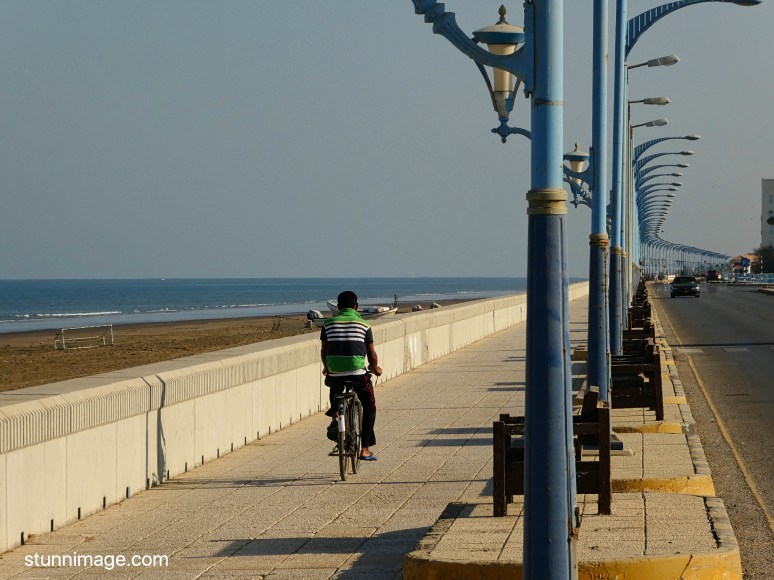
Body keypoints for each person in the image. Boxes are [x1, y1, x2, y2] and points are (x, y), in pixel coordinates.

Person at [320, 290, 382, 461]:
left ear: (338, 307)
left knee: (335, 385)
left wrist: (326, 368)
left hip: (335, 373)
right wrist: (375, 368)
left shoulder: (328, 324)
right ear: (356, 306)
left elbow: (324, 351)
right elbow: (371, 353)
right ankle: (365, 449)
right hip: (357, 374)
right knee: (369, 406)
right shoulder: (364, 324)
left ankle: (335, 414)